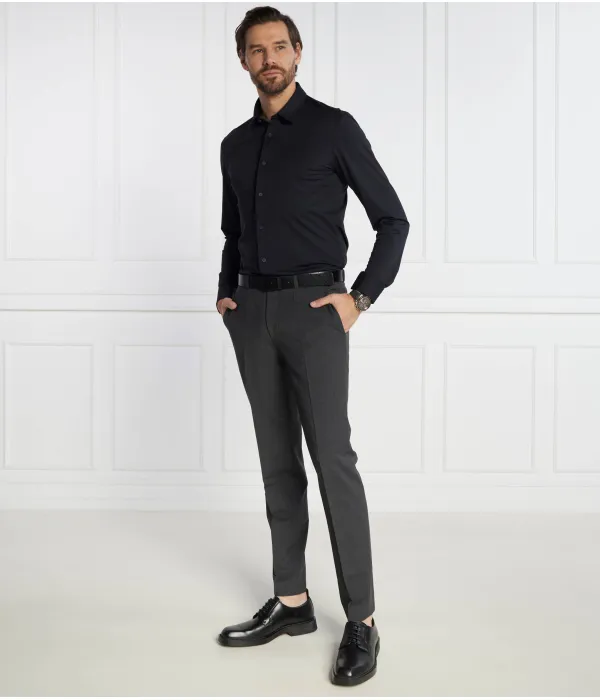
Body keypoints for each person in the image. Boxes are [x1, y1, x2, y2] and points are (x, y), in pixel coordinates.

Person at [215, 5, 409, 687]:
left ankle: (362, 620)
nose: (268, 59)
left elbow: (392, 220)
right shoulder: (235, 145)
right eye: (256, 49)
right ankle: (293, 602)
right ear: (243, 60)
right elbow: (233, 230)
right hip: (253, 312)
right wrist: (227, 293)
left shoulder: (334, 128)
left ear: (297, 53)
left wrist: (361, 297)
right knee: (277, 459)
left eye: (279, 46)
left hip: (316, 309)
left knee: (333, 459)